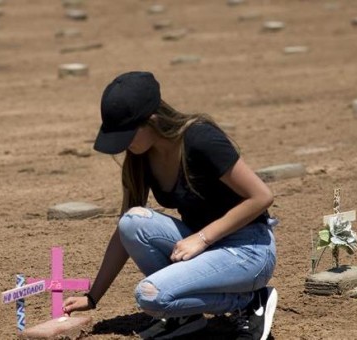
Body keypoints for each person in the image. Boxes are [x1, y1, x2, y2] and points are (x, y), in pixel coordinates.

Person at [62, 71, 278, 340]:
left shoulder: (201, 139)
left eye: (127, 135)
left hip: (248, 250)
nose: (123, 146)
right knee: (131, 221)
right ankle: (184, 316)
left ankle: (249, 301)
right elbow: (123, 233)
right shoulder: (140, 157)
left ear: (152, 120)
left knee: (149, 295)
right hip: (204, 247)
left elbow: (261, 196)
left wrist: (202, 237)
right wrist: (93, 296)